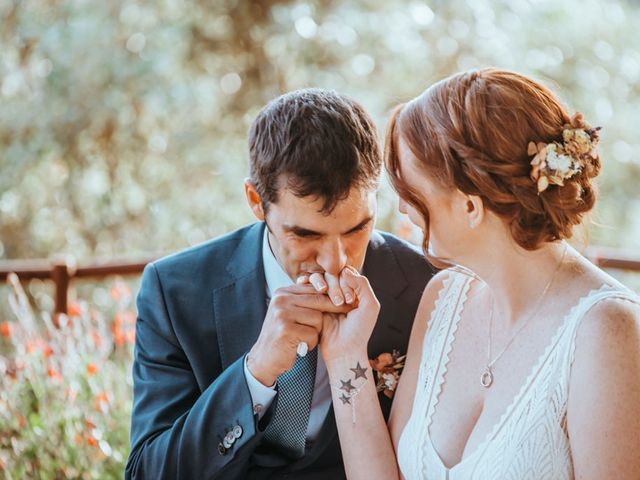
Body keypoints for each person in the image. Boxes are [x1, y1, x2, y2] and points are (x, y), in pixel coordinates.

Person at [315, 68, 640, 479]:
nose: (402, 210)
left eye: (411, 192)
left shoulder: (605, 329)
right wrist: (344, 356)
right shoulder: (443, 298)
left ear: (470, 207)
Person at [124, 88, 434, 479]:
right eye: (305, 235)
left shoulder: (427, 287)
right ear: (256, 201)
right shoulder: (175, 292)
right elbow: (147, 473)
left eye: (357, 228)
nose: (336, 261)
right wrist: (254, 373)